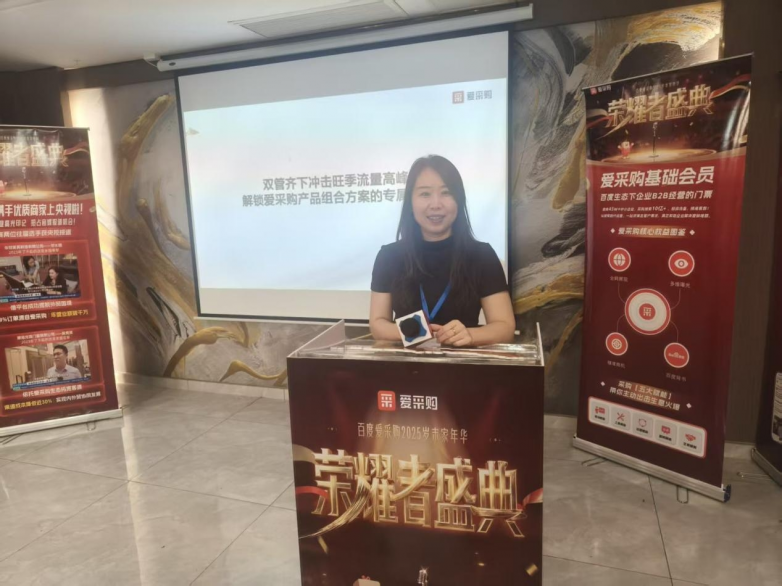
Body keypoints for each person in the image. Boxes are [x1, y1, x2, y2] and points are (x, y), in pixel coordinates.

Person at [370, 155, 515, 347]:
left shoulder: (482, 255)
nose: (436, 204)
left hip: (463, 362)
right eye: (425, 194)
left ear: (459, 200)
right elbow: (378, 323)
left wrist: (470, 335)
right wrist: (416, 332)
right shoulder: (389, 256)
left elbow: (505, 327)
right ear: (410, 202)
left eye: (446, 193)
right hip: (405, 362)